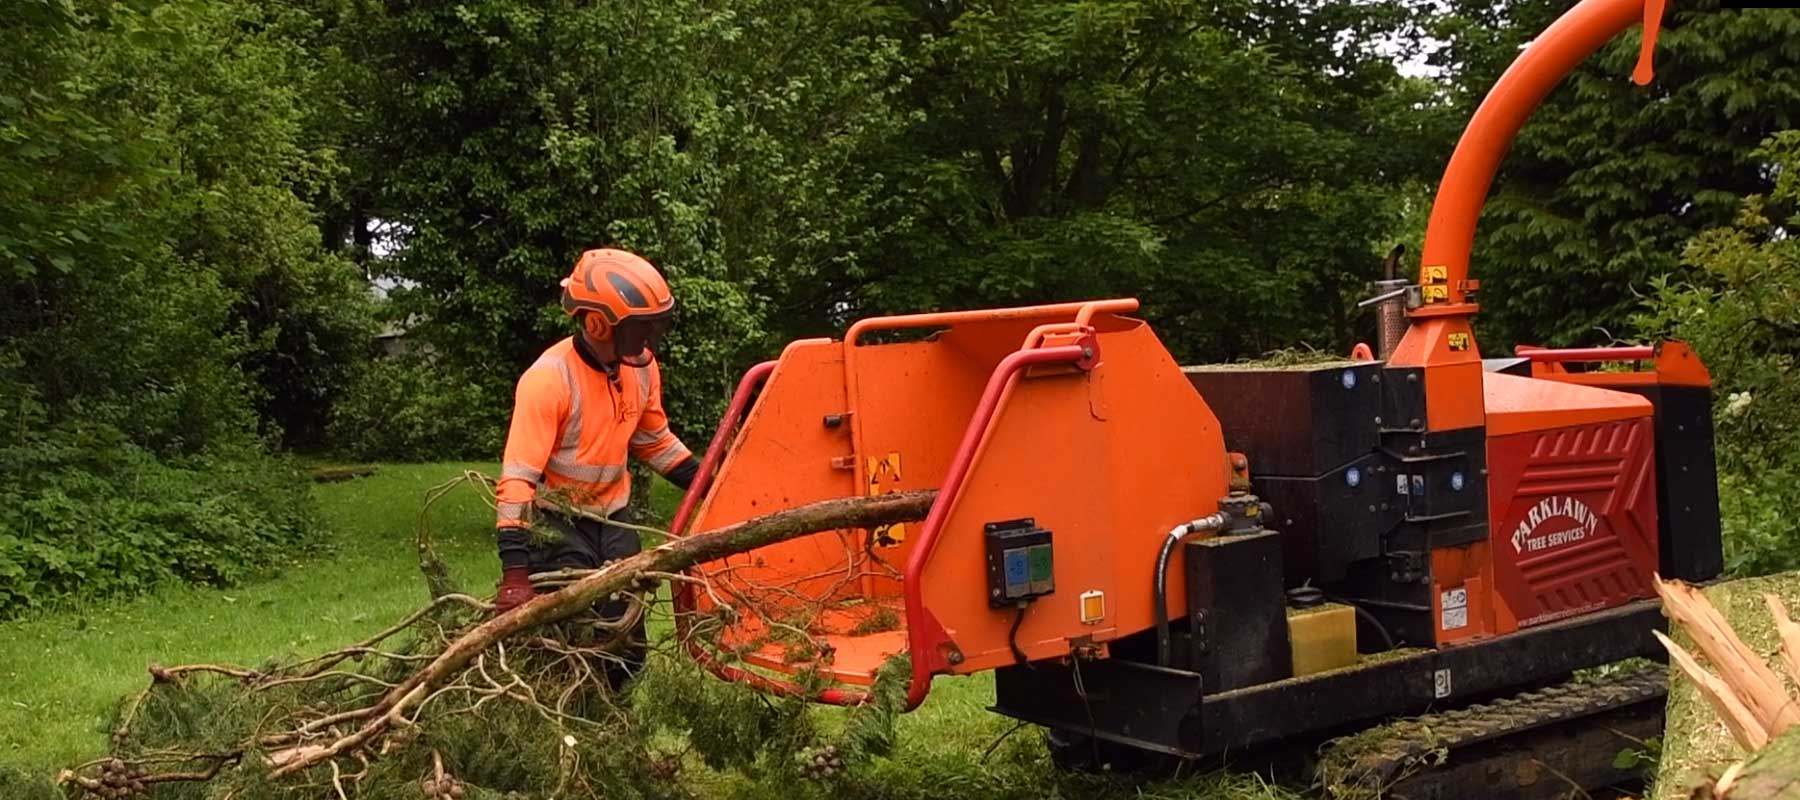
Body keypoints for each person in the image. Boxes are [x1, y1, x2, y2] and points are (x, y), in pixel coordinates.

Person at [491, 248, 701, 680]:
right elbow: (518, 478)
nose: (646, 340)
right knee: (574, 647)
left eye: (652, 328)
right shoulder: (548, 379)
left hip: (615, 519)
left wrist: (711, 481)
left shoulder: (639, 368)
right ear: (597, 323)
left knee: (627, 647)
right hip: (558, 525)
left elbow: (653, 440)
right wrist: (515, 572)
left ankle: (617, 733)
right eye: (638, 329)